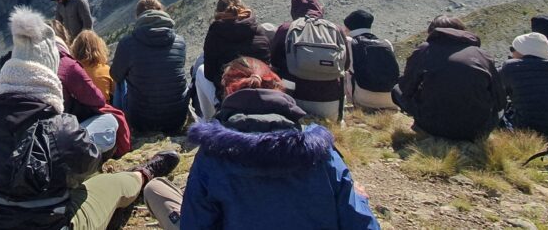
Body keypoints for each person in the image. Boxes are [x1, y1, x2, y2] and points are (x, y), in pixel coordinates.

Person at [0, 7, 180, 230]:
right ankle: (143, 174)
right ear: (49, 73)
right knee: (107, 184)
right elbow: (87, 163)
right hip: (49, 222)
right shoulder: (61, 128)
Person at [141, 57, 379, 230]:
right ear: (277, 88)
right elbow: (362, 224)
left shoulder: (213, 153)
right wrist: (358, 199)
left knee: (155, 189)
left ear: (227, 94)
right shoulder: (319, 147)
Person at [392, 16, 503, 141]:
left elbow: (406, 88)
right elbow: (499, 99)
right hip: (476, 130)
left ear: (433, 32)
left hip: (434, 126)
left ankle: (422, 127)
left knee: (396, 90)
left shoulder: (425, 49)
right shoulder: (483, 55)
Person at [110, 0, 188, 134]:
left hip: (141, 121)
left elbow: (115, 75)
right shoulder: (180, 41)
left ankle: (122, 129)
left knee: (121, 81)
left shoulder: (127, 43)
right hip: (176, 119)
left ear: (138, 16)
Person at [52, 23, 129, 157]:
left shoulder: (73, 69)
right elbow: (103, 97)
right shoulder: (106, 70)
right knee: (121, 84)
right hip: (99, 113)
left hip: (76, 118)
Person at [270, 0, 349, 120]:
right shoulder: (336, 29)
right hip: (332, 103)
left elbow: (274, 61)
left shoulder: (286, 29)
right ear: (318, 7)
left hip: (294, 102)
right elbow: (346, 65)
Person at [202, 0, 271, 100]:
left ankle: (211, 113)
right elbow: (266, 60)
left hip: (232, 93)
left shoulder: (215, 34)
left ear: (218, 12)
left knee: (201, 71)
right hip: (264, 86)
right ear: (243, 7)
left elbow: (209, 73)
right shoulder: (257, 29)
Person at [344, 9, 399, 111]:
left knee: (342, 70)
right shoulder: (387, 43)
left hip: (364, 99)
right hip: (390, 99)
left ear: (348, 26)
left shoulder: (349, 42)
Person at [71, 30, 114, 103]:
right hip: (105, 109)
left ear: (76, 48)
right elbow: (115, 91)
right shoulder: (106, 69)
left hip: (82, 112)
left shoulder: (73, 71)